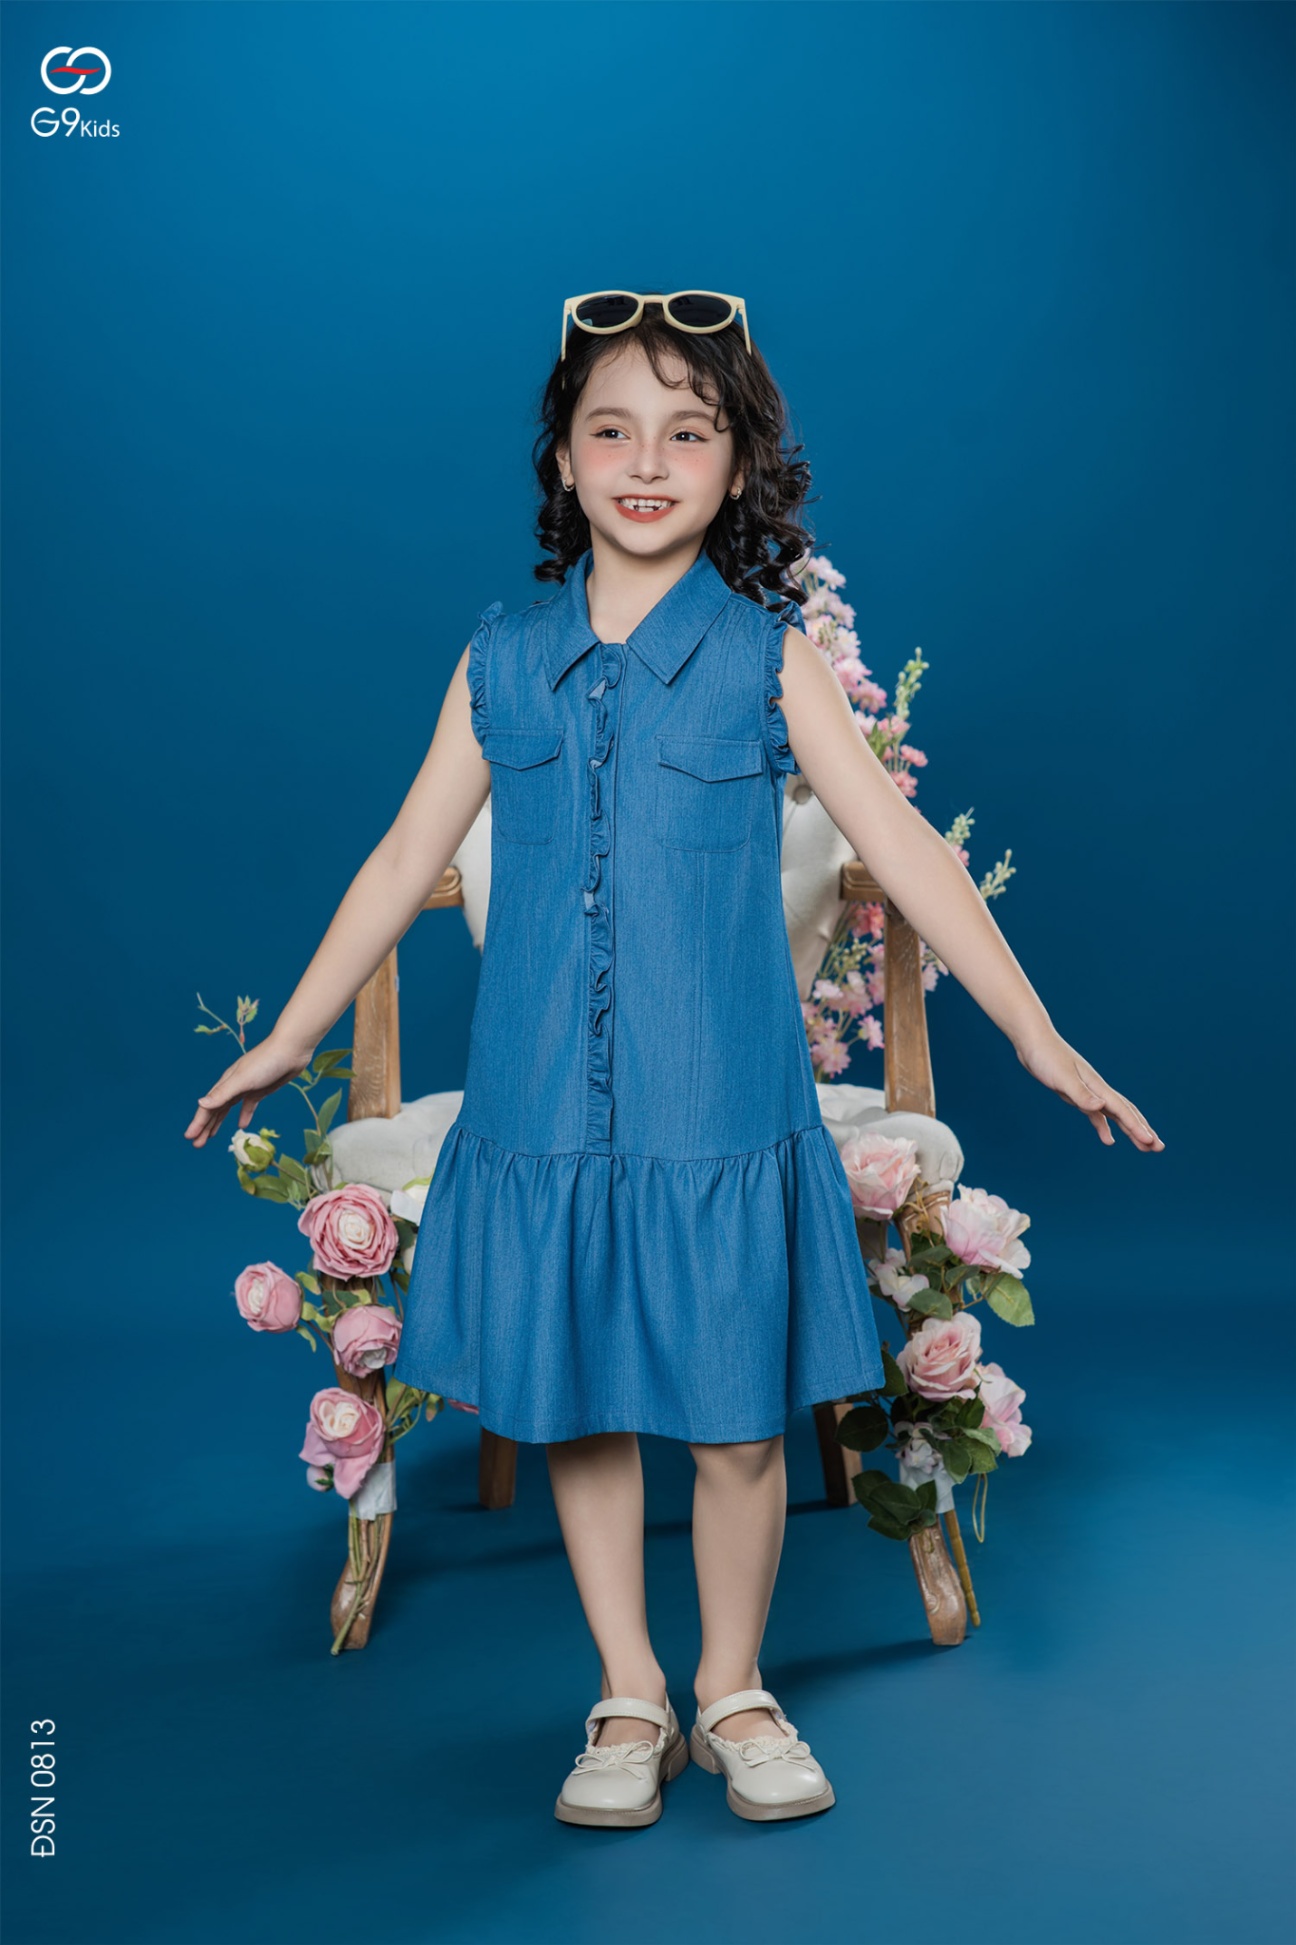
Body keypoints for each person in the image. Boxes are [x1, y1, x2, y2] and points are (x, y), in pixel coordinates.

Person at [185, 288, 1164, 1830]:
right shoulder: (500, 658)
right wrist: (288, 1034)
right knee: (577, 1408)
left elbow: (907, 848)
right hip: (541, 1116)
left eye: (687, 433)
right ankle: (630, 1691)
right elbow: (400, 858)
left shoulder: (770, 659)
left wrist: (1041, 1036)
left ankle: (734, 1686)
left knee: (731, 1416)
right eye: (612, 430)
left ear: (737, 462)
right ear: (563, 460)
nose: (647, 462)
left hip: (721, 1115)